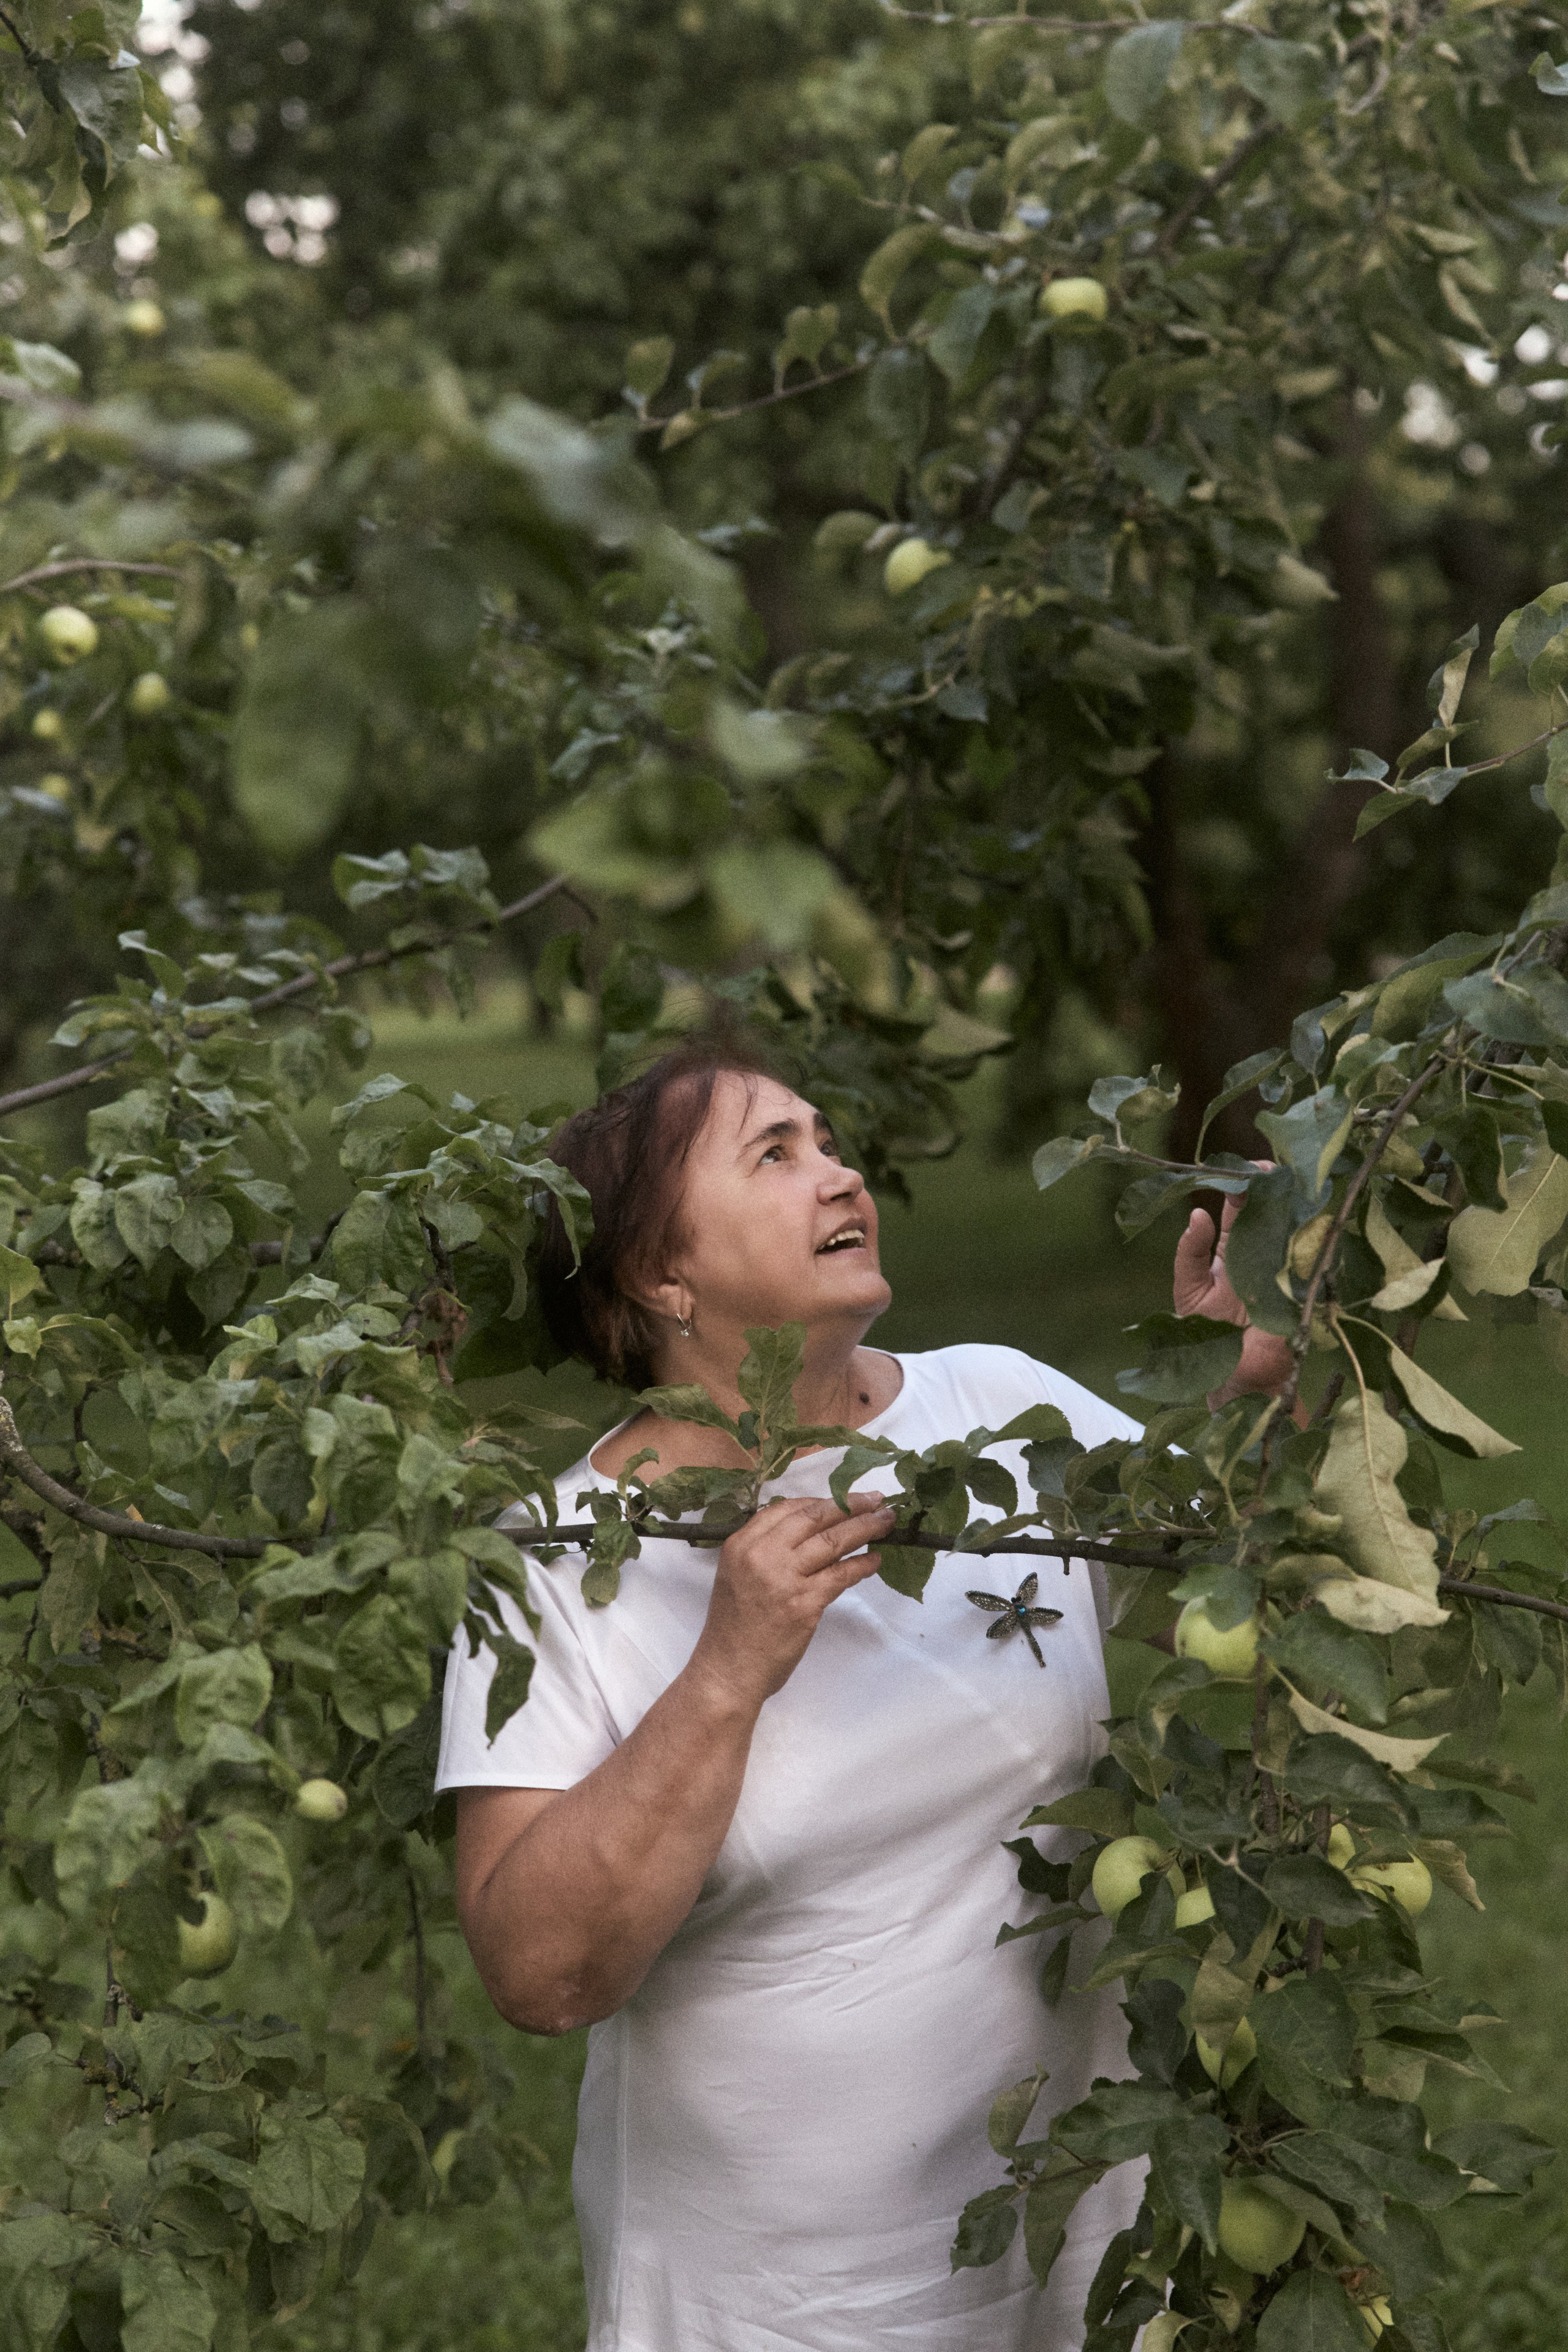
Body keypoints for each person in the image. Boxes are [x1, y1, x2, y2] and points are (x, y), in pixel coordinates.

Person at [437, 1035, 1289, 2352]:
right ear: (660, 1275)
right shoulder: (557, 1564)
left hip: (1080, 2238)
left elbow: (1243, 1588)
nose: (837, 1177)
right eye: (773, 1156)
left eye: (827, 1143)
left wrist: (1237, 1390)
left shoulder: (996, 1408)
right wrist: (727, 1671)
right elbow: (540, 1973)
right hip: (788, 2300)